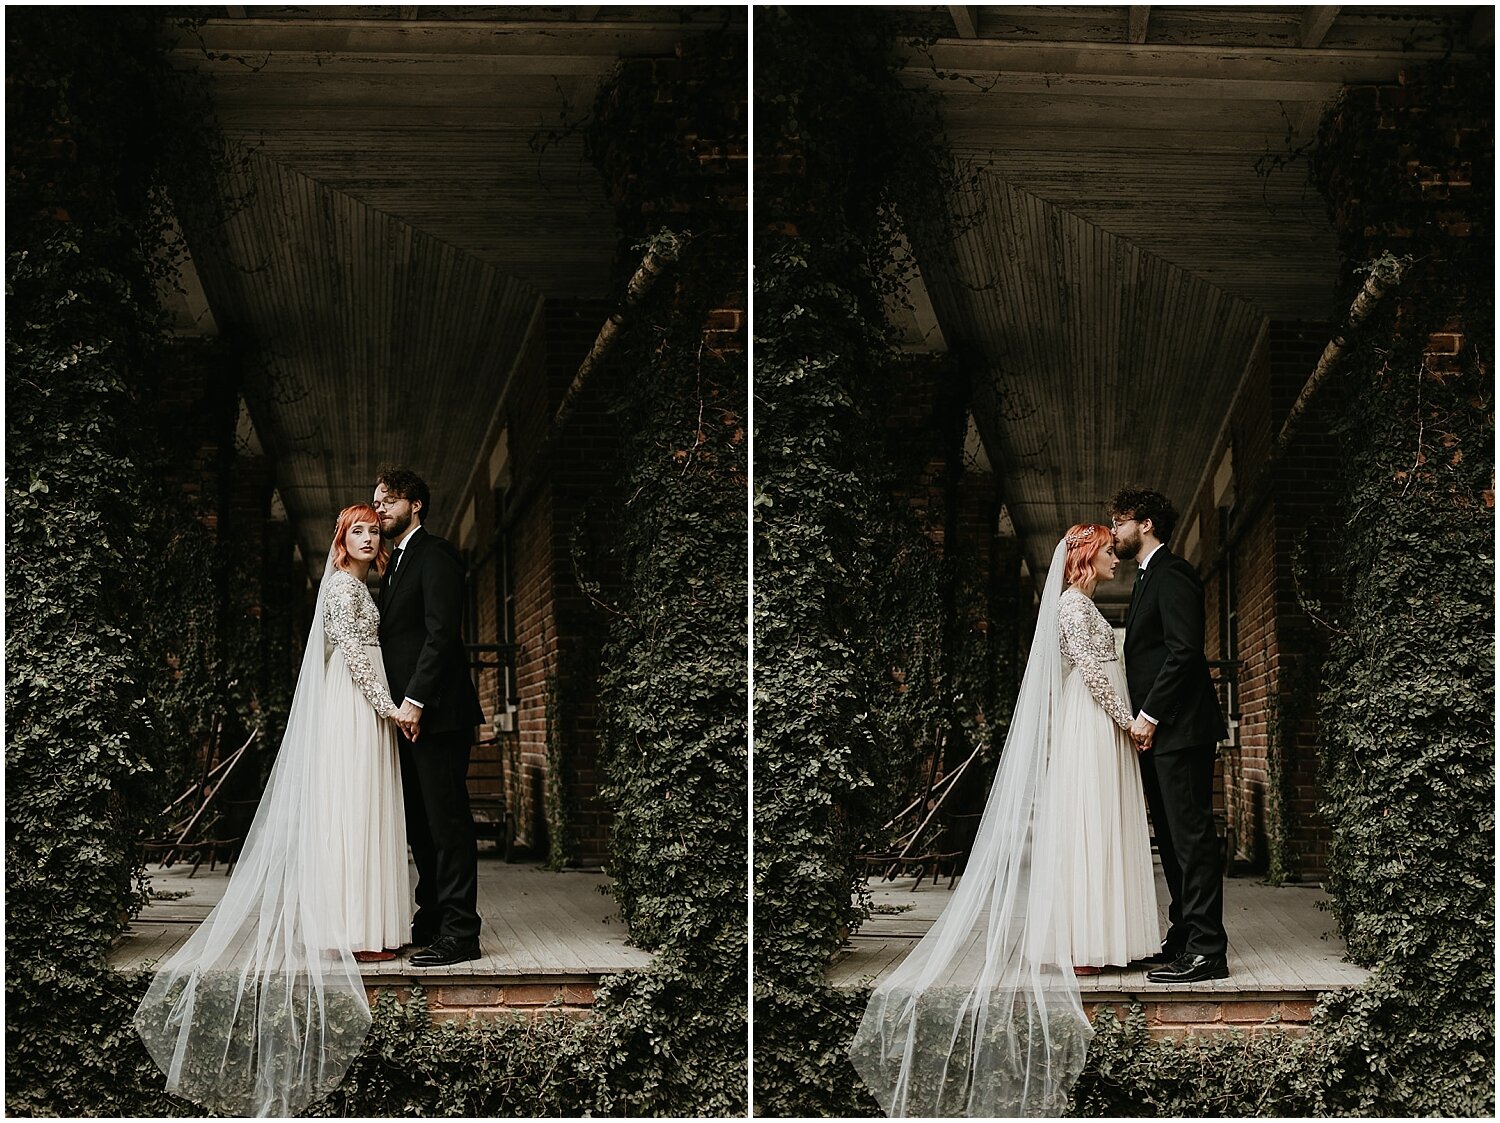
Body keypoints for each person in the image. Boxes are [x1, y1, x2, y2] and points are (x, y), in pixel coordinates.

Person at [850, 527, 1156, 1118]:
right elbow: (1094, 678)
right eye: (1109, 551)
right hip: (1093, 726)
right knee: (1088, 827)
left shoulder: (1084, 605)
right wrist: (1130, 722)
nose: (1118, 558)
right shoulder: (1070, 606)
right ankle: (1081, 941)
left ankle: (1104, 934)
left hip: (1102, 727)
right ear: (1087, 557)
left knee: (1106, 827)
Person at [134, 504, 412, 1117]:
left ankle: (365, 927)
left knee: (362, 811)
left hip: (363, 708)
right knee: (351, 811)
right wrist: (389, 708)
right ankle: (353, 930)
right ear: (341, 539)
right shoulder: (341, 588)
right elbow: (359, 660)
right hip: (355, 709)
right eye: (356, 531)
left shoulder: (360, 585)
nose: (368, 538)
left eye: (374, 530)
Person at [1111, 486, 1229, 984]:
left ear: (1146, 524)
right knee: (1174, 841)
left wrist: (1151, 715)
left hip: (1180, 729)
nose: (1113, 531)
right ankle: (1183, 937)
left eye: (1118, 521)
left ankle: (1207, 950)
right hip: (1161, 735)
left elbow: (1184, 653)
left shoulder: (1174, 573)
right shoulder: (1145, 578)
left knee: (1192, 838)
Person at [372, 466, 485, 967]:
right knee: (419, 825)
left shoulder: (434, 553)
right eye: (376, 501)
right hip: (407, 718)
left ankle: (461, 932)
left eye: (390, 500)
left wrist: (415, 699)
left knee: (447, 824)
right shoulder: (394, 563)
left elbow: (441, 634)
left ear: (415, 505)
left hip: (436, 714)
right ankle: (433, 916)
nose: (381, 509)